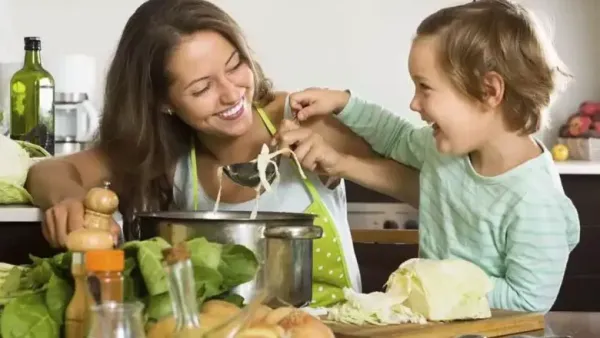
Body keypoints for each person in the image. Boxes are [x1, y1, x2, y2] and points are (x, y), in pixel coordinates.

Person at [25, 0, 420, 307]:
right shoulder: (169, 153)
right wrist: (68, 201)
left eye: (235, 66)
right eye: (201, 89)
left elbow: (434, 189)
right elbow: (49, 171)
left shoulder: (302, 119)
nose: (232, 94)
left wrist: (344, 164)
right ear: (164, 104)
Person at [275, 0, 580, 313]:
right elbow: (396, 137)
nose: (414, 103)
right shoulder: (446, 152)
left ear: (489, 91)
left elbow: (528, 300)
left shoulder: (536, 201)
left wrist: (433, 284)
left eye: (425, 87)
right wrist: (343, 103)